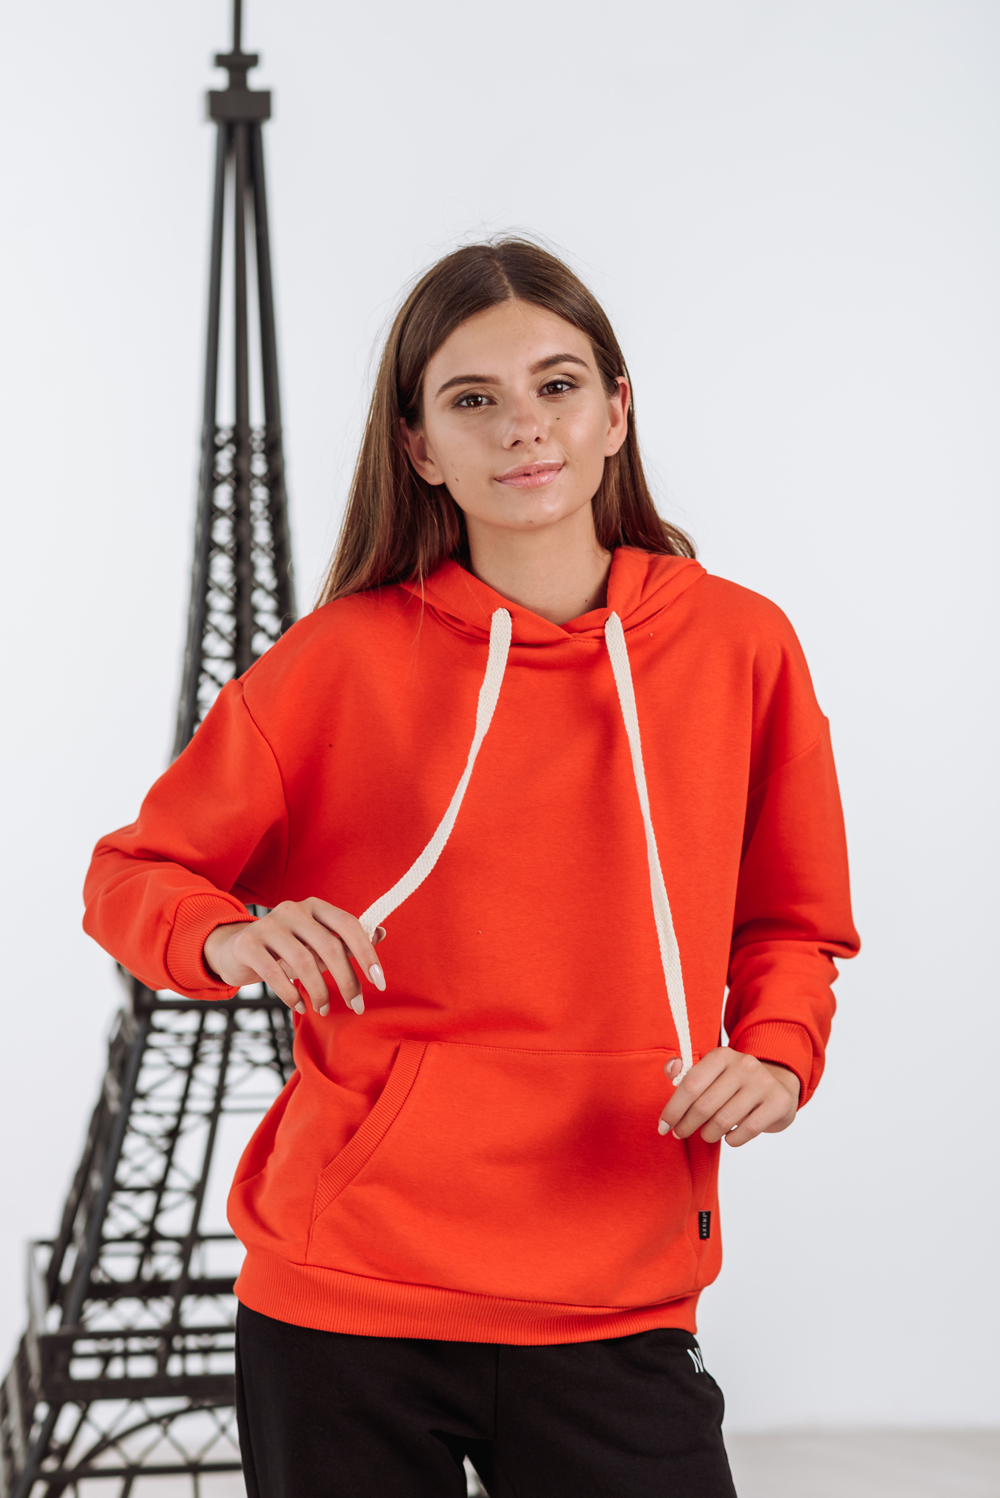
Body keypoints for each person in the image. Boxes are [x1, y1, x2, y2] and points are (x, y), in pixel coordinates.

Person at [84, 238, 859, 1497]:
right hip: (345, 1300)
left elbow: (791, 918)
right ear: (420, 447)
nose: (522, 426)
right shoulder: (336, 663)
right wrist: (229, 934)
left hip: (615, 1287)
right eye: (472, 398)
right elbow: (133, 873)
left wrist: (775, 1052)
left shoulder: (740, 646)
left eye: (556, 385)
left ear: (616, 411)